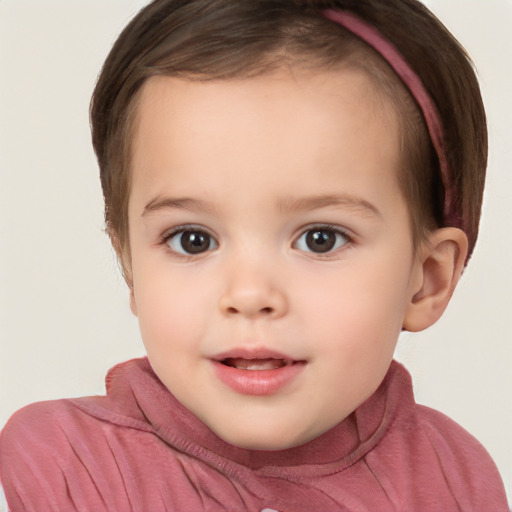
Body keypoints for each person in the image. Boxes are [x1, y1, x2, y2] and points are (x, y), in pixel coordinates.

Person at [0, 0, 508, 510]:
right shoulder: (62, 470)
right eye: (192, 239)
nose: (248, 294)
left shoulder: (455, 479)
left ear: (427, 278)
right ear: (130, 264)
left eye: (320, 238)